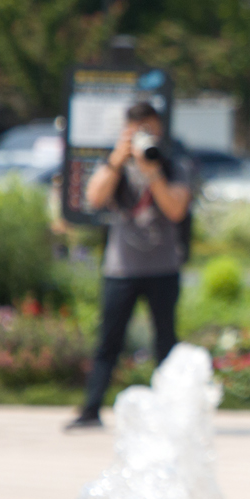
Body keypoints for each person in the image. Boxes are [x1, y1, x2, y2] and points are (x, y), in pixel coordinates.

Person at [68, 100, 195, 430]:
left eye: (149, 129)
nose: (143, 137)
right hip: (121, 268)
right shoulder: (116, 165)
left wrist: (151, 171)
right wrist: (116, 159)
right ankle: (90, 409)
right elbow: (94, 199)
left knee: (165, 342)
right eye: (136, 131)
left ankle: (169, 412)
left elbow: (175, 210)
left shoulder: (173, 164)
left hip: (163, 267)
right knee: (108, 341)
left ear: (160, 129)